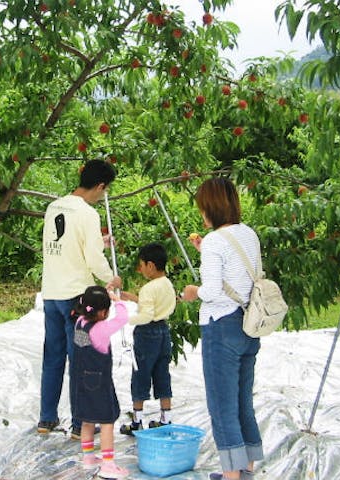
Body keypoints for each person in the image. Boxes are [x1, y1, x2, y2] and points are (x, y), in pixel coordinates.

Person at [181, 177, 262, 480]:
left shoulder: (216, 240)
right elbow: (238, 272)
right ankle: (247, 469)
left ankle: (231, 476)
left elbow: (212, 290)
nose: (202, 213)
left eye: (203, 206)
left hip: (221, 328)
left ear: (211, 207)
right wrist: (206, 250)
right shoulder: (249, 234)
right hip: (247, 325)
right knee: (243, 402)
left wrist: (192, 292)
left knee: (221, 407)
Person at [38, 159, 122, 440]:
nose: (102, 196)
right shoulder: (87, 214)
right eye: (104, 190)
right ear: (100, 186)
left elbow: (64, 244)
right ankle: (79, 424)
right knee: (80, 360)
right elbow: (93, 259)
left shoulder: (54, 206)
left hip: (52, 294)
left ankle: (46, 418)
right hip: (77, 300)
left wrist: (100, 242)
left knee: (52, 358)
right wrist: (111, 278)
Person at [118, 242, 177, 435]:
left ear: (150, 266)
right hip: (163, 331)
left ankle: (137, 421)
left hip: (146, 334)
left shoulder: (149, 288)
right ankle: (165, 419)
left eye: (142, 265)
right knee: (162, 374)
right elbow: (156, 306)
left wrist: (125, 318)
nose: (140, 269)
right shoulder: (167, 284)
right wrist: (135, 299)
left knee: (140, 375)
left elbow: (146, 316)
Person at [72, 286, 130, 479]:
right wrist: (117, 299)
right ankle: (108, 464)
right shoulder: (102, 329)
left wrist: (103, 294)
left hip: (81, 378)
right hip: (98, 381)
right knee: (106, 421)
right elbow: (122, 318)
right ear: (103, 312)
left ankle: (88, 458)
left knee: (87, 418)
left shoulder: (79, 322)